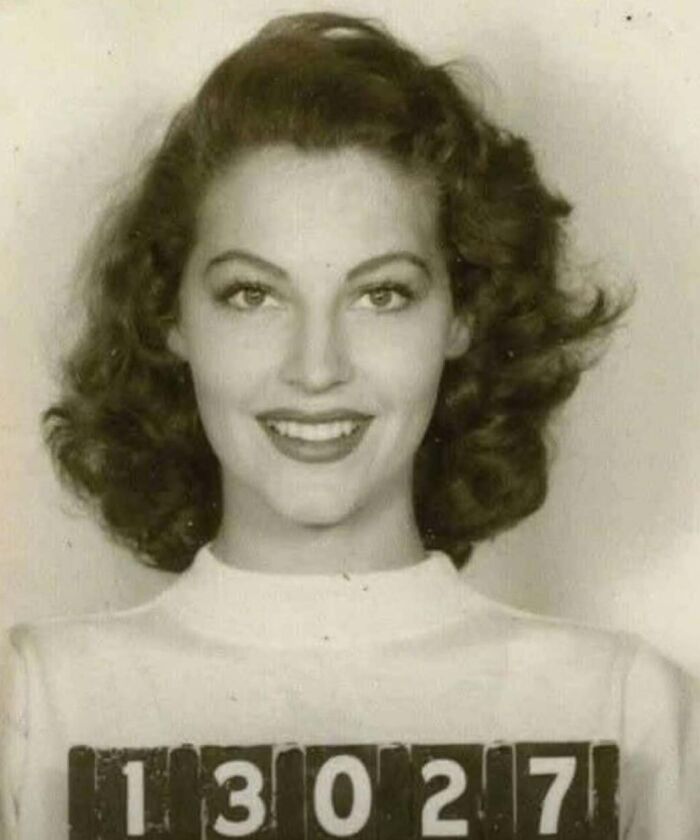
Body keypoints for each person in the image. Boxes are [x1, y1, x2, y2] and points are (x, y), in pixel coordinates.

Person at [1, 11, 698, 839]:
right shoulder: (39, 709)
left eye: (382, 294)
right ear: (170, 317)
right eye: (252, 294)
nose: (318, 366)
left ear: (462, 315)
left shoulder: (619, 711)